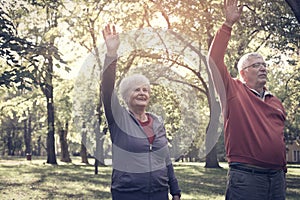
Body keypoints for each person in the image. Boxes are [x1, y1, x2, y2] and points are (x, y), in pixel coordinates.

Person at [207, 0, 287, 199]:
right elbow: (214, 60)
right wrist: (227, 25)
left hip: (277, 179)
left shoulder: (275, 101)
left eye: (264, 64)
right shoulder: (232, 90)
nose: (263, 68)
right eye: (256, 65)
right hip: (247, 178)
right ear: (243, 73)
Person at [101, 24, 181, 200]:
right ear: (126, 95)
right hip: (128, 194)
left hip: (160, 194)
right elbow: (107, 90)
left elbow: (165, 159)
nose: (142, 93)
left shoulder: (158, 123)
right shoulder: (118, 119)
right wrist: (111, 55)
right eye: (137, 90)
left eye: (145, 90)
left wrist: (175, 190)